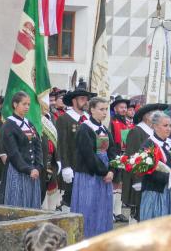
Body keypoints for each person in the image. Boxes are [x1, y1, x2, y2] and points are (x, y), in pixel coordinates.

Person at [71, 97, 116, 237]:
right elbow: (88, 155)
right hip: (89, 175)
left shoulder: (104, 129)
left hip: (105, 175)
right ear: (92, 110)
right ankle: (87, 238)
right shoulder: (85, 128)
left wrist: (113, 170)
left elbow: (112, 152)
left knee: (103, 208)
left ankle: (101, 237)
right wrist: (104, 172)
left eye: (106, 109)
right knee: (89, 207)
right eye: (101, 109)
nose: (104, 112)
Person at [139, 110, 171, 221]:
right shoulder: (148, 144)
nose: (169, 129)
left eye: (170, 126)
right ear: (155, 126)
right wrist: (166, 177)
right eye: (165, 125)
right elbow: (146, 170)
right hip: (156, 193)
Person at [121, 103, 168, 221]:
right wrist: (137, 180)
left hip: (154, 179)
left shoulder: (155, 132)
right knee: (138, 213)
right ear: (147, 117)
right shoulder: (137, 131)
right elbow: (133, 157)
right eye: (155, 115)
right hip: (140, 180)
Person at [0, 91, 43, 208]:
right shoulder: (8, 125)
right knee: (17, 204)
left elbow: (38, 146)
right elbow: (13, 153)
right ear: (15, 104)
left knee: (32, 205)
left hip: (33, 172)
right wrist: (28, 169)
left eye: (28, 104)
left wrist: (38, 167)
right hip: (17, 171)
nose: (27, 107)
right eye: (24, 104)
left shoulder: (30, 124)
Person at [56, 80, 96, 208]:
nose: (86, 101)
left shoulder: (89, 119)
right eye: (82, 98)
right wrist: (65, 166)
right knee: (69, 200)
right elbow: (61, 144)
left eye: (87, 99)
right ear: (74, 101)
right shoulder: (64, 119)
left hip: (88, 167)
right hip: (72, 167)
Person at [109, 95, 133, 223]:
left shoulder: (128, 123)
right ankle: (111, 212)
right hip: (116, 156)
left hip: (126, 156)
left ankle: (118, 212)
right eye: (121, 107)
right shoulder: (112, 122)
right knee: (114, 184)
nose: (124, 110)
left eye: (125, 107)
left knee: (121, 185)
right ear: (116, 109)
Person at [40, 104, 61, 211]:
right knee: (42, 189)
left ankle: (52, 214)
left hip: (52, 158)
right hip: (41, 159)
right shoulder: (34, 119)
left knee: (52, 187)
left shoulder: (51, 118)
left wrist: (58, 159)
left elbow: (57, 140)